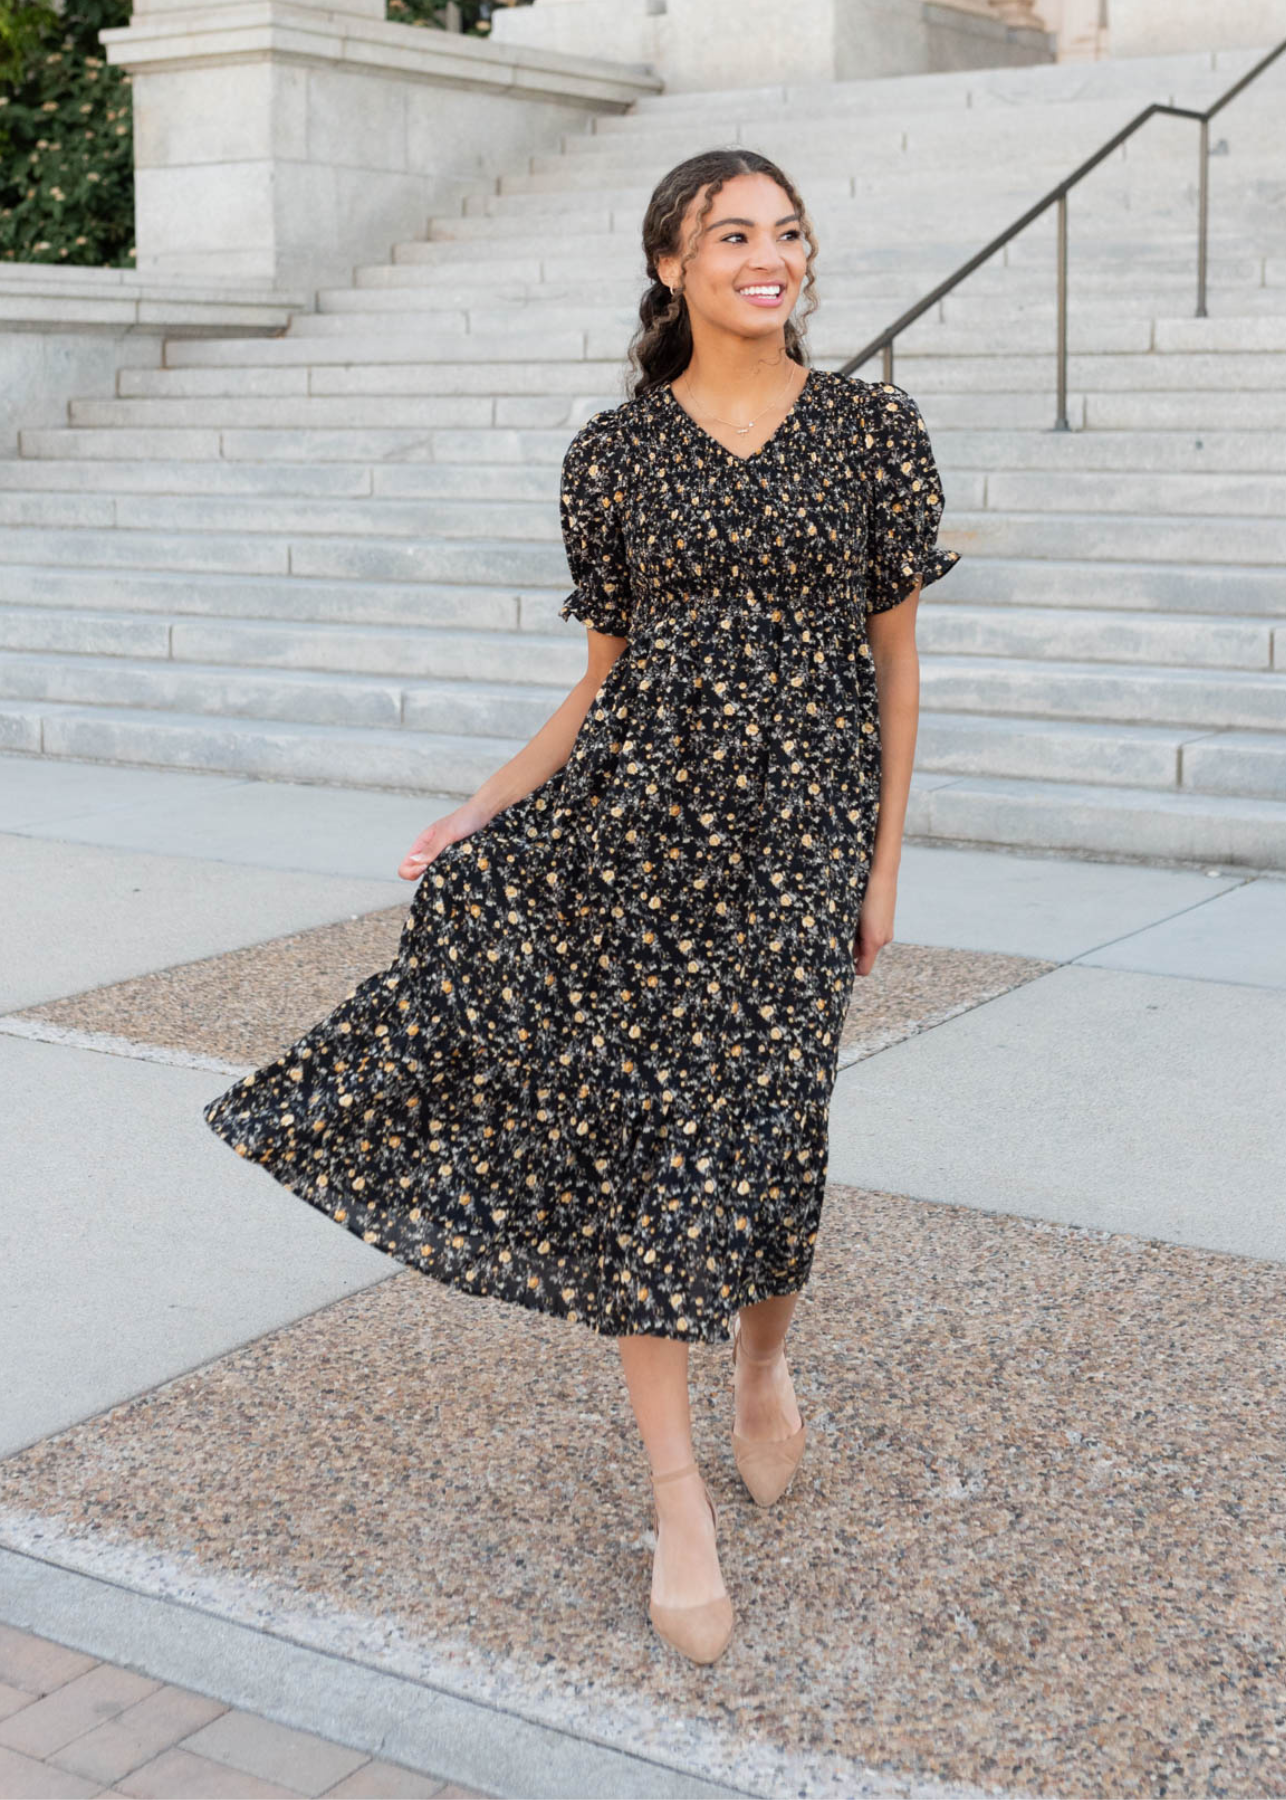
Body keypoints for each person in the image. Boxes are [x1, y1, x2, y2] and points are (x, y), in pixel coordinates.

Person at [203, 146, 961, 1667]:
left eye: (790, 233)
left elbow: (896, 672)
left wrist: (882, 863)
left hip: (798, 850)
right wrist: (484, 806)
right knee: (656, 1156)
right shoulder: (611, 456)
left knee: (768, 1129)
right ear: (668, 266)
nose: (773, 256)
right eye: (734, 234)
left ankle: (764, 1363)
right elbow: (600, 683)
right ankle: (675, 1501)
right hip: (632, 844)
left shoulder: (873, 430)